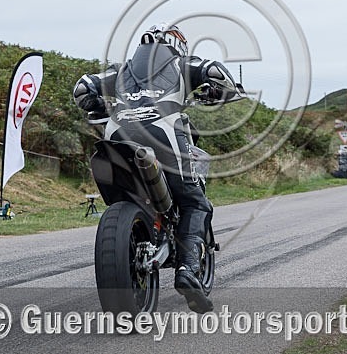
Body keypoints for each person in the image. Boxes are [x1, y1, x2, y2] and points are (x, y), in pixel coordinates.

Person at [73, 22, 244, 313]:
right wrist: (222, 91)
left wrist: (98, 104)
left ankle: (143, 236)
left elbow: (82, 88)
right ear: (177, 43)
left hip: (116, 133)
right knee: (195, 202)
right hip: (164, 130)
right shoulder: (182, 63)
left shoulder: (121, 69)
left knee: (126, 198)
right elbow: (216, 72)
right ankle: (188, 269)